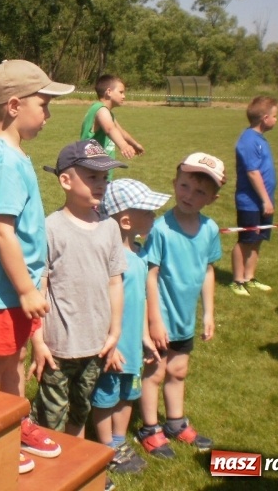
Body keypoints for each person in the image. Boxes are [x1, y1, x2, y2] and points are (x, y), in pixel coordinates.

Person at [0, 59, 74, 474]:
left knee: (13, 360)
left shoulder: (12, 154)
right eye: (44, 104)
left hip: (17, 287)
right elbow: (2, 234)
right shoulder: (6, 162)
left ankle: (15, 423)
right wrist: (28, 290)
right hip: (4, 288)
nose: (48, 114)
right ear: (15, 105)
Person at [28, 140, 127, 435]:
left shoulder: (110, 228)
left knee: (80, 410)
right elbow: (39, 289)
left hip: (96, 345)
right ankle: (46, 467)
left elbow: (115, 282)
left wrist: (115, 332)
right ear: (66, 181)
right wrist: (38, 342)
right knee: (51, 415)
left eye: (104, 178)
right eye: (92, 177)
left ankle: (75, 471)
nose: (101, 184)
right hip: (57, 347)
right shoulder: (50, 228)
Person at [136, 152, 225, 459]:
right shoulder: (161, 229)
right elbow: (151, 273)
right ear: (175, 184)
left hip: (185, 319)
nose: (190, 195)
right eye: (185, 186)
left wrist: (209, 313)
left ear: (212, 198)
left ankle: (175, 422)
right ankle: (149, 427)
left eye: (200, 191)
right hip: (161, 318)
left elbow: (208, 271)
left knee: (179, 369)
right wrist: (154, 320)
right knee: (155, 372)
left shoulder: (210, 229)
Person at [92, 178, 171, 475]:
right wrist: (108, 344)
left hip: (133, 348)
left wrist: (144, 337)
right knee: (105, 398)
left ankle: (118, 440)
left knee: (127, 396)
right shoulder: (112, 259)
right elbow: (101, 306)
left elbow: (138, 302)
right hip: (113, 348)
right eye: (148, 212)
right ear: (126, 220)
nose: (154, 217)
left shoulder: (138, 253)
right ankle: (105, 448)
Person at [230, 96, 278, 296]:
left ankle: (250, 277)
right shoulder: (248, 140)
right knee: (246, 240)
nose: (276, 120)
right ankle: (237, 280)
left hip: (263, 202)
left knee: (257, 239)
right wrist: (265, 199)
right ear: (265, 118)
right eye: (275, 116)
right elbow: (252, 172)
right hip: (250, 202)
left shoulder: (260, 139)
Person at [80, 74, 144, 180]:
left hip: (100, 172)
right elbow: (110, 129)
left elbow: (121, 132)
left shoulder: (108, 113)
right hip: (93, 172)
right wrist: (123, 145)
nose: (124, 96)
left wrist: (134, 144)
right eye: (121, 92)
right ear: (109, 92)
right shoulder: (100, 109)